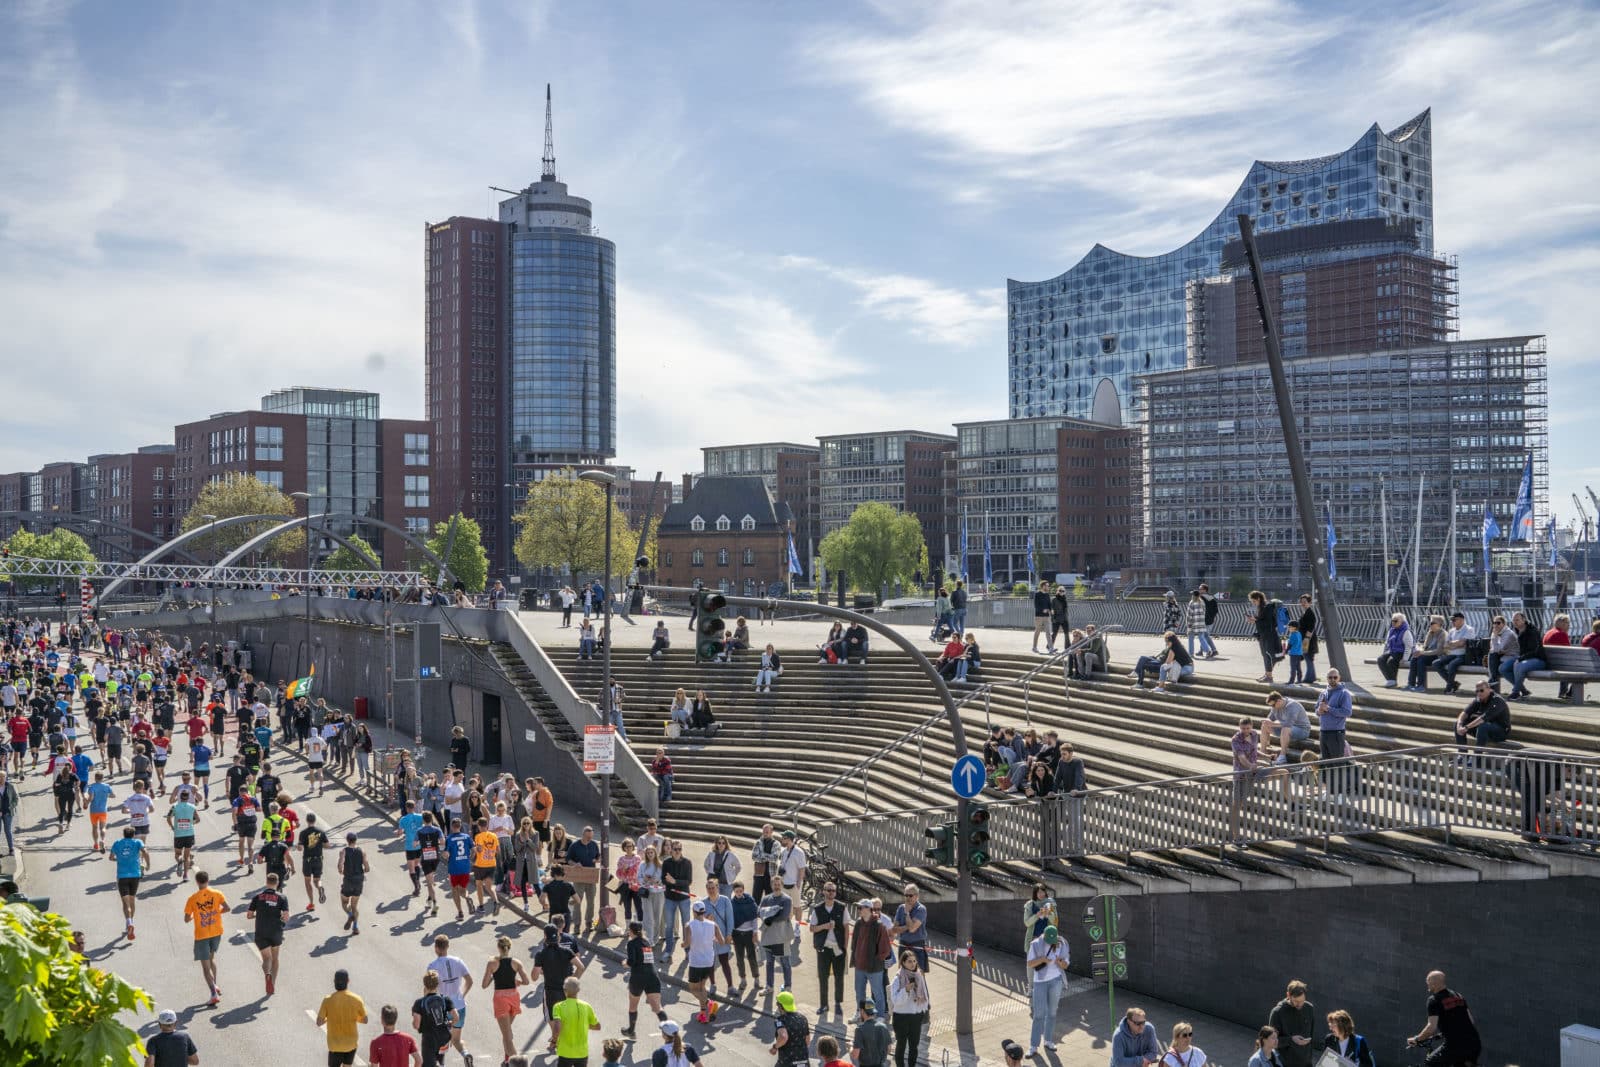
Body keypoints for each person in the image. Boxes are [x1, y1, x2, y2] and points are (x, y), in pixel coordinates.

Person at [1406, 971, 1482, 1066]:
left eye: (1428, 983)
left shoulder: (1434, 1000)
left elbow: (1431, 1028)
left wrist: (1417, 1039)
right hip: (1474, 1043)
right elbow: (1470, 1020)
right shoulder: (1458, 996)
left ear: (1433, 984)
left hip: (1455, 1046)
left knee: (1430, 1063)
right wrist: (1445, 1032)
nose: (1428, 987)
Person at [482, 935, 531, 1065]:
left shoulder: (492, 963)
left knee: (507, 1037)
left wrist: (494, 977)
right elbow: (526, 981)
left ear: (498, 947)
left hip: (500, 999)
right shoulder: (516, 962)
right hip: (514, 998)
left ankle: (519, 1063)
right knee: (507, 1033)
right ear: (509, 947)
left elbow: (484, 985)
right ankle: (507, 1061)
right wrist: (516, 981)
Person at [427, 934, 475, 1065]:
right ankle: (466, 1054)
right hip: (459, 1006)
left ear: (436, 948)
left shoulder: (433, 966)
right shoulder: (458, 961)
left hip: (443, 1008)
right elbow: (470, 981)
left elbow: (429, 989)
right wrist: (462, 995)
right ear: (448, 946)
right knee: (456, 1039)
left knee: (438, 1041)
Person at [182, 870, 228, 1006]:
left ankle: (213, 993)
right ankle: (215, 984)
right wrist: (215, 912)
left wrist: (194, 916)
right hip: (216, 931)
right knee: (211, 958)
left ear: (197, 882)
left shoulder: (192, 899)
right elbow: (227, 908)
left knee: (205, 967)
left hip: (202, 934)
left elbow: (186, 919)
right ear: (208, 880)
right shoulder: (217, 894)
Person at [1025, 924, 1068, 1054]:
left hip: (1056, 980)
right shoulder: (1036, 944)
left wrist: (1060, 962)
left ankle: (1048, 1040)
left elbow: (1065, 965)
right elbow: (1030, 963)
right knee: (1038, 1014)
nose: (1051, 943)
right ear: (1044, 937)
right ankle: (1033, 1045)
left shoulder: (1062, 943)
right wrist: (1043, 959)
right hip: (1040, 982)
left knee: (1052, 1012)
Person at [247, 871, 291, 995]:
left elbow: (249, 915)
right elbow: (286, 917)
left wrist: (258, 914)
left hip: (261, 931)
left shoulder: (257, 897)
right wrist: (281, 918)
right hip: (275, 931)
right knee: (275, 959)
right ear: (277, 883)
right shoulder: (282, 897)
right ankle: (272, 983)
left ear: (266, 883)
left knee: (267, 958)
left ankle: (267, 974)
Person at [623, 920, 668, 1037]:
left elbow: (631, 962)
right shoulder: (646, 942)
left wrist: (625, 963)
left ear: (631, 931)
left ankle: (631, 1031)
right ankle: (670, 1032)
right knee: (657, 1007)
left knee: (633, 1005)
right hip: (652, 976)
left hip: (638, 977)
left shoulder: (631, 944)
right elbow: (646, 959)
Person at [684, 899, 726, 1023]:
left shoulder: (689, 925)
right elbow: (722, 942)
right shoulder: (713, 925)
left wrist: (682, 944)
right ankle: (703, 1014)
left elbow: (687, 943)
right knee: (702, 987)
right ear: (703, 911)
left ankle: (709, 1004)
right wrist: (712, 938)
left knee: (693, 989)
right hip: (709, 961)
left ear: (694, 912)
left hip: (696, 962)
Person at [316, 968, 368, 1067]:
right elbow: (365, 1020)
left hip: (335, 1045)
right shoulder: (357, 999)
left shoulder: (328, 1000)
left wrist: (328, 1018)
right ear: (348, 981)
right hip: (351, 1044)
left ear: (334, 981)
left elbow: (319, 1022)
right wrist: (354, 1016)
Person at [812, 881, 850, 1014]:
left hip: (838, 948)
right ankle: (824, 1004)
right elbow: (812, 928)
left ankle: (838, 1003)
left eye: (833, 890)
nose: (830, 893)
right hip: (823, 948)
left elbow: (846, 927)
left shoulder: (842, 907)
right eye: (828, 890)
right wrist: (824, 926)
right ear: (823, 891)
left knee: (839, 977)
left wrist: (845, 946)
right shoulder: (817, 908)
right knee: (823, 977)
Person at [888, 949, 930, 1067]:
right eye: (910, 962)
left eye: (914, 961)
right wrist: (905, 990)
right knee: (901, 1045)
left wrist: (922, 1009)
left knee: (914, 1046)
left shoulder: (919, 976)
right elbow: (896, 1000)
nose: (913, 964)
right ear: (903, 963)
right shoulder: (898, 978)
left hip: (916, 1017)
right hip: (901, 1017)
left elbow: (925, 995)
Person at [1314, 670, 1354, 794]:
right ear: (1327, 678)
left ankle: (1340, 792)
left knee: (1337, 764)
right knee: (1327, 764)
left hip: (1336, 732)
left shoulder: (1344, 693)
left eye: (1335, 677)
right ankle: (1331, 791)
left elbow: (1347, 712)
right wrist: (1319, 711)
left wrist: (1329, 709)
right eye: (1330, 677)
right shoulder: (1323, 692)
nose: (1332, 679)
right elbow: (1316, 710)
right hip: (1324, 732)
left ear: (1339, 677)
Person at [109, 825, 149, 940]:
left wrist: (119, 859)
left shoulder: (117, 843)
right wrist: (147, 865)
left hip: (122, 876)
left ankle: (129, 922)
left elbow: (111, 857)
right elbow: (145, 852)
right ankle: (131, 922)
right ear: (133, 835)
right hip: (135, 875)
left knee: (125, 904)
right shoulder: (137, 842)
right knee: (132, 900)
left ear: (124, 834)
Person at [413, 970, 460, 1067]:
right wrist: (449, 1023)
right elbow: (456, 1017)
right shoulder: (445, 999)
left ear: (424, 984)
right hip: (443, 1038)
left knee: (428, 1064)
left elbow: (416, 1024)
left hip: (429, 1039)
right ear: (438, 984)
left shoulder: (419, 1003)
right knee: (440, 1061)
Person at [549, 976, 600, 1063]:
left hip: (565, 1052)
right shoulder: (587, 1006)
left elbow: (557, 1027)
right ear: (578, 990)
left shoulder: (558, 1006)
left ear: (564, 990)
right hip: (582, 1052)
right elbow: (597, 1026)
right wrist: (583, 1024)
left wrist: (554, 1041)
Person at [1453, 682, 1511, 756]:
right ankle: (1462, 755)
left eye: (1481, 690)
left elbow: (1482, 719)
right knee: (1458, 723)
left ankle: (1477, 757)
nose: (1479, 693)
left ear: (1489, 689)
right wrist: (1459, 725)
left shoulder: (1497, 700)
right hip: (1485, 729)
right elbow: (1464, 713)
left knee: (1482, 726)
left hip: (1501, 732)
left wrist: (1467, 727)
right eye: (1477, 691)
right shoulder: (1478, 699)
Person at [1266, 980, 1315, 1067]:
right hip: (1285, 1064)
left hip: (1306, 1063)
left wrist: (1309, 1059)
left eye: (1302, 1001)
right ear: (1288, 995)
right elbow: (1271, 1042)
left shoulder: (1309, 1008)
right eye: (1296, 1001)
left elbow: (1311, 1035)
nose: (1300, 1004)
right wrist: (1291, 1040)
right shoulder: (1277, 1012)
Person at [1260, 692, 1311, 766]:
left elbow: (1288, 724)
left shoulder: (1292, 705)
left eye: (1273, 705)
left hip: (1302, 730)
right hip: (1287, 730)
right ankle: (1263, 753)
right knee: (1265, 725)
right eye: (1271, 706)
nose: (1272, 707)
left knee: (1285, 728)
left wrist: (1273, 724)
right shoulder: (1275, 707)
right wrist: (1266, 721)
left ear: (1279, 701)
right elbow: (1270, 719)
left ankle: (1282, 757)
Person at [1508, 611, 1547, 700]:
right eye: (1513, 620)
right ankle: (1524, 691)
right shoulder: (1515, 631)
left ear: (1524, 620)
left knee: (1519, 666)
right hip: (1524, 659)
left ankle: (1515, 692)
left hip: (1538, 660)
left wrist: (1520, 659)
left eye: (1517, 620)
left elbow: (1534, 651)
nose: (1515, 622)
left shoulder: (1532, 631)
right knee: (1503, 668)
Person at [890, 884, 929, 971]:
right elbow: (894, 930)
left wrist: (907, 913)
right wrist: (908, 926)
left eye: (910, 895)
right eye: (906, 895)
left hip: (917, 946)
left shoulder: (921, 909)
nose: (908, 898)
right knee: (903, 975)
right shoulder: (901, 908)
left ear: (917, 896)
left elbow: (912, 930)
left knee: (919, 977)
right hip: (903, 945)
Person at [1436, 612, 1476, 694]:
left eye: (1454, 620)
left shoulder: (1469, 629)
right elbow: (1445, 645)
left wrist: (1453, 644)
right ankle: (1453, 684)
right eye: (1452, 620)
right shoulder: (1451, 631)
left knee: (1452, 664)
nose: (1452, 622)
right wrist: (1457, 644)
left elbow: (1463, 643)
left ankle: (1449, 687)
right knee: (1436, 663)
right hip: (1452, 654)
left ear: (1461, 620)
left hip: (1463, 655)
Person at [1249, 591, 1283, 683]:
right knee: (1265, 655)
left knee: (1268, 655)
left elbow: (1268, 623)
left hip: (1269, 636)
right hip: (1264, 636)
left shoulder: (1267, 608)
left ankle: (1269, 676)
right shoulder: (1262, 608)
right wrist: (1255, 620)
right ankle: (1267, 674)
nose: (1253, 603)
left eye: (1253, 601)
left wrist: (1255, 621)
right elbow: (1263, 621)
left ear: (1258, 598)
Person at [1406, 616, 1447, 691]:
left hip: (1438, 656)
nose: (1430, 624)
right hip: (1428, 655)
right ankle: (1410, 684)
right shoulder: (1430, 633)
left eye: (1432, 623)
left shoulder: (1443, 634)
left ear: (1439, 624)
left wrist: (1422, 653)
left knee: (1421, 660)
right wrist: (1419, 651)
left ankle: (1421, 686)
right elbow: (1425, 646)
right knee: (1414, 658)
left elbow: (1439, 651)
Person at [771, 991, 811, 1067]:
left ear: (781, 1006)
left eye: (777, 1004)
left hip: (787, 1062)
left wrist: (775, 1047)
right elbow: (807, 1040)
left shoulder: (780, 1020)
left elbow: (783, 1036)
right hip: (804, 1061)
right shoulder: (803, 1018)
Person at [299, 812, 329, 912]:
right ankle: (320, 887)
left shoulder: (303, 833)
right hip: (318, 860)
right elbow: (327, 845)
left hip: (307, 860)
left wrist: (300, 846)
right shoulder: (321, 832)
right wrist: (319, 844)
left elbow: (300, 848)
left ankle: (311, 903)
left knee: (308, 882)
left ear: (307, 821)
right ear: (314, 821)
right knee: (317, 880)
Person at [1376, 612, 1414, 687]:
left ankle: (1392, 681)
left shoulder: (1406, 631)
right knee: (1380, 659)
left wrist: (1405, 659)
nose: (1393, 622)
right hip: (1392, 651)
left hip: (1402, 652)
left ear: (1402, 622)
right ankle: (1390, 679)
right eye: (1392, 620)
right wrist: (1384, 653)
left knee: (1391, 661)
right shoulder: (1391, 631)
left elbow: (1409, 646)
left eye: (1396, 621)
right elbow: (1387, 644)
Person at [852, 1001, 891, 1067]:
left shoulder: (859, 1030)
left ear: (862, 1011)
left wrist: (850, 1048)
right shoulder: (883, 1027)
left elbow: (855, 1055)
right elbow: (889, 1049)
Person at [1022, 884, 1057, 955]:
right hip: (1033, 938)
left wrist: (1049, 913)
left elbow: (1055, 921)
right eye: (1038, 892)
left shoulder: (1051, 903)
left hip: (1047, 938)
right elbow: (1027, 923)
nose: (1041, 894)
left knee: (1046, 964)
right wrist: (1036, 915)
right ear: (1035, 894)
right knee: (1032, 963)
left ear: (1045, 892)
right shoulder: (1030, 905)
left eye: (1042, 892)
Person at [1031, 583, 1052, 653]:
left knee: (1048, 632)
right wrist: (1043, 609)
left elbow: (1049, 604)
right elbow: (1036, 605)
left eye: (1048, 586)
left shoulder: (1047, 595)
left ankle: (1050, 648)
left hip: (1046, 616)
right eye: (1047, 586)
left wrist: (1050, 610)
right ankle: (1034, 647)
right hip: (1038, 616)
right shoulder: (1037, 594)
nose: (1048, 587)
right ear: (1043, 586)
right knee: (1037, 631)